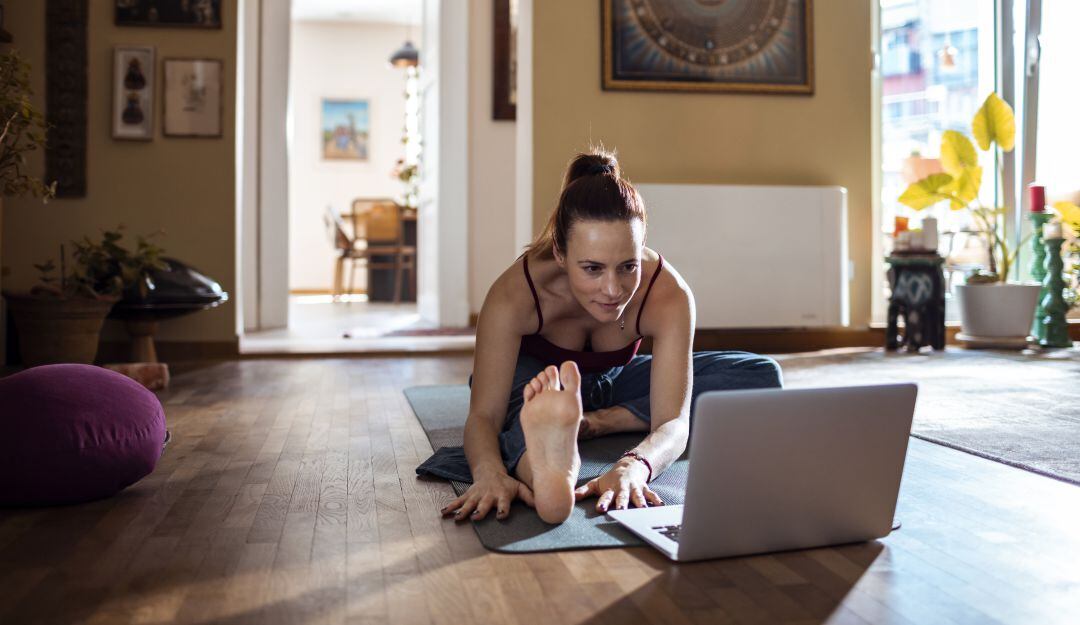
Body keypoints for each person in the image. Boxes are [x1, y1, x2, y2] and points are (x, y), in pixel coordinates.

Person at [416, 149, 783, 524]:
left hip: (612, 382)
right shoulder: (515, 294)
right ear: (560, 253)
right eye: (592, 268)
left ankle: (599, 421)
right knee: (514, 416)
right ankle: (548, 471)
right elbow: (482, 416)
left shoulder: (669, 293)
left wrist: (635, 465)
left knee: (758, 373)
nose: (613, 289)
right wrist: (489, 473)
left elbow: (673, 422)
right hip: (536, 384)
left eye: (628, 266)